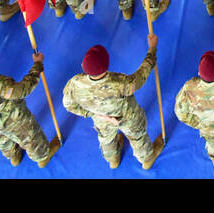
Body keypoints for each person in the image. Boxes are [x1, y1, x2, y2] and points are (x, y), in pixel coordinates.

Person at [62, 36, 165, 170]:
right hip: (127, 117)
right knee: (137, 137)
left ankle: (113, 160)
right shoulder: (120, 83)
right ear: (107, 65)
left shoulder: (75, 84)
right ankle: (146, 159)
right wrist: (152, 50)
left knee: (106, 139)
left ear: (83, 65)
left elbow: (68, 104)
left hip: (101, 118)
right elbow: (141, 76)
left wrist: (90, 113)